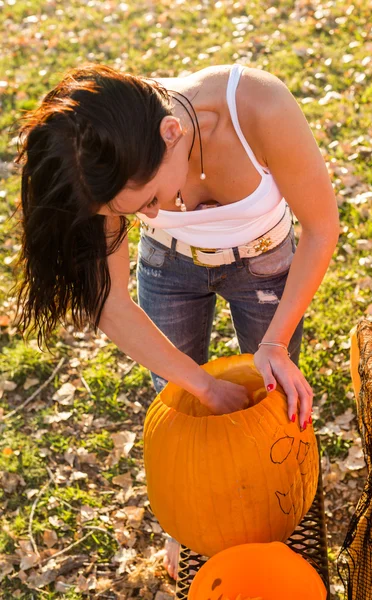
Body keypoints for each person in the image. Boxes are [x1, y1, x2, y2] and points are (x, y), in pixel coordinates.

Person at [13, 63, 339, 580]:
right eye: (136, 210)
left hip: (263, 262)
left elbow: (323, 227)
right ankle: (194, 512)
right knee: (182, 406)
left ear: (172, 133)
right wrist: (203, 386)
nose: (156, 210)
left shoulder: (259, 107)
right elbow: (111, 304)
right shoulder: (113, 155)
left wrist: (275, 342)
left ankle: (277, 498)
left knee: (274, 400)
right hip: (169, 266)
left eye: (148, 202)